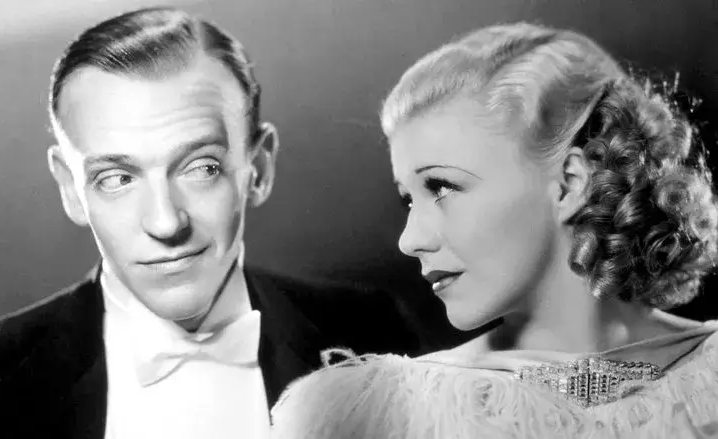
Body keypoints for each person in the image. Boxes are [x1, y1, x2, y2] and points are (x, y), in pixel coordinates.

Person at [0, 7, 440, 439]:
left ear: (259, 168)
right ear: (70, 188)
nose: (165, 222)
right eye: (117, 179)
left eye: (201, 168)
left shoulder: (375, 333)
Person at [271, 22, 718, 438]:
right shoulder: (376, 415)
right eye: (409, 199)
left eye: (442, 187)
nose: (409, 241)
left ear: (567, 185)